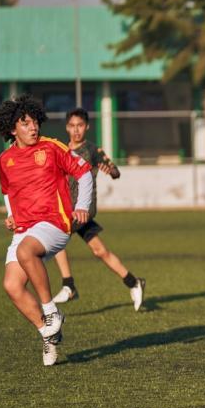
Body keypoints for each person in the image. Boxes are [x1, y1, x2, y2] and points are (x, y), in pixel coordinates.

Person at [0, 94, 94, 366]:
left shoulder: (51, 147)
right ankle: (48, 335)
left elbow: (84, 172)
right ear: (12, 129)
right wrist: (11, 215)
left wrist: (82, 205)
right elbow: (7, 191)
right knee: (12, 285)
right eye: (25, 123)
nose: (33, 127)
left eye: (35, 121)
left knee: (27, 252)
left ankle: (51, 312)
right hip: (24, 228)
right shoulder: (5, 160)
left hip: (55, 222)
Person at [51, 108, 146, 311]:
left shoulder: (92, 150)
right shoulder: (60, 150)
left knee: (55, 238)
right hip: (68, 209)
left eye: (80, 126)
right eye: (72, 126)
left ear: (87, 127)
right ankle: (134, 282)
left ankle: (69, 285)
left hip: (83, 210)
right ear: (67, 127)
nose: (76, 130)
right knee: (100, 251)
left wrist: (109, 170)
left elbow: (115, 171)